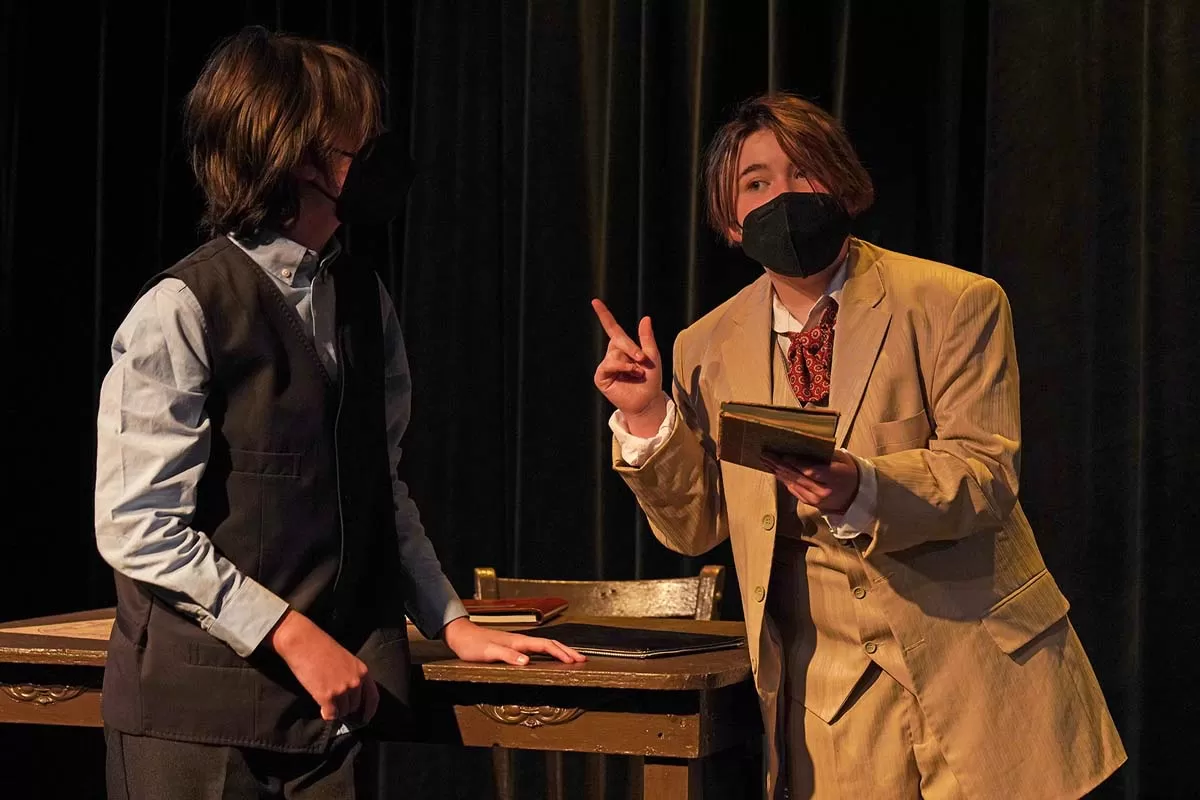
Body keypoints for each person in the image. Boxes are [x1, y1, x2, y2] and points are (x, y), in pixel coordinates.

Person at [94, 26, 583, 800]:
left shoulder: (361, 298)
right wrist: (289, 633)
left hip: (336, 716)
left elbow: (377, 486)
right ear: (297, 155)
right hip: (200, 718)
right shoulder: (183, 308)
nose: (378, 150)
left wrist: (449, 620)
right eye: (359, 136)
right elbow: (138, 525)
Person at [592, 92, 1125, 799]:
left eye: (803, 171)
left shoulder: (953, 302)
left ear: (843, 184)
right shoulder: (704, 347)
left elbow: (986, 474)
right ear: (730, 220)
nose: (784, 196)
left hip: (986, 673)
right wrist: (646, 416)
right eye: (756, 183)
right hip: (834, 711)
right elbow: (696, 527)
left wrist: (862, 487)